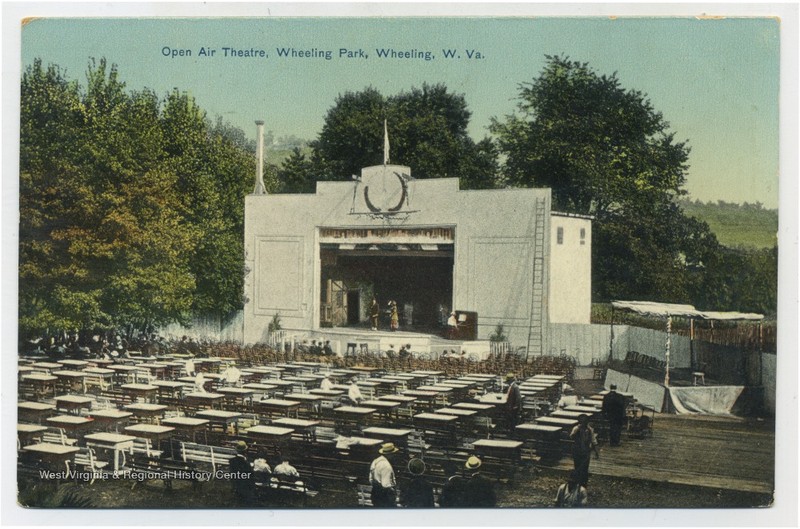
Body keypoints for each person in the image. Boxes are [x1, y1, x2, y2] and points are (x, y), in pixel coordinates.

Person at [569, 414, 600, 487]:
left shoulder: (590, 429)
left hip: (586, 451)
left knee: (585, 467)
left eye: (585, 422)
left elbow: (593, 440)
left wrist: (596, 452)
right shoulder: (576, 428)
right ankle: (577, 483)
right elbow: (571, 437)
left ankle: (583, 483)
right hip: (577, 449)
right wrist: (576, 431)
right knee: (577, 466)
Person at [369, 443, 400, 507]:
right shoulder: (386, 466)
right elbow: (386, 485)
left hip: (376, 493)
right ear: (390, 454)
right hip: (385, 498)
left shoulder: (375, 461)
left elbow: (371, 479)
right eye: (394, 454)